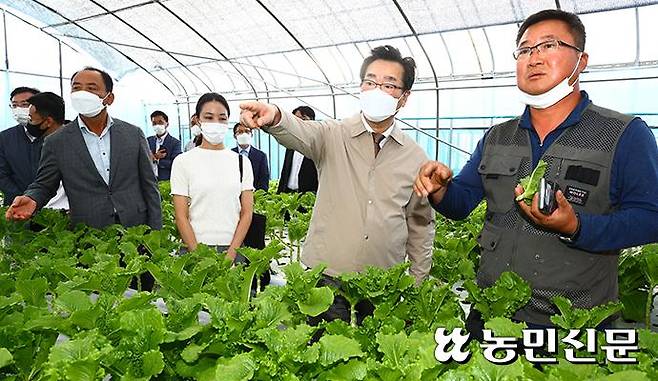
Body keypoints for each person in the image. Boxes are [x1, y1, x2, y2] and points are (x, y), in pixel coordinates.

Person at [414, 9, 658, 329]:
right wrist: (441, 189)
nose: (534, 58)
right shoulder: (497, 136)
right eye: (525, 50)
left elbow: (650, 219)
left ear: (581, 61)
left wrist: (576, 226)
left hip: (573, 324)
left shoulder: (623, 134)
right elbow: (461, 204)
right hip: (492, 315)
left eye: (549, 45)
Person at [240, 45, 435, 324]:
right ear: (361, 87)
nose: (377, 90)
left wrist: (416, 283)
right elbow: (301, 132)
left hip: (381, 284)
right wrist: (275, 117)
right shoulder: (333, 135)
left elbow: (420, 225)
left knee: (373, 360)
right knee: (323, 354)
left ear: (404, 98)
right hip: (327, 277)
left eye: (389, 85)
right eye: (370, 82)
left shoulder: (416, 157)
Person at [5, 67, 162, 230]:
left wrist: (155, 231)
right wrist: (32, 198)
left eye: (91, 88)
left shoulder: (133, 134)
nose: (82, 93)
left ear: (109, 98)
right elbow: (44, 184)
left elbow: (149, 185)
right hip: (89, 231)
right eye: (76, 88)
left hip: (136, 225)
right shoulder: (57, 141)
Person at [170, 93, 254, 261]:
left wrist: (232, 253)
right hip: (193, 248)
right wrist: (197, 256)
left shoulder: (241, 162)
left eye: (222, 118)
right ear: (198, 120)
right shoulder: (183, 161)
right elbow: (181, 216)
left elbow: (247, 212)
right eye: (209, 117)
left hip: (234, 248)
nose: (216, 123)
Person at [25, 92, 69, 210]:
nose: (28, 123)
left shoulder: (71, 144)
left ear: (48, 122)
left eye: (31, 119)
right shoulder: (42, 143)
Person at [0, 86, 41, 206]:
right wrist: (21, 197)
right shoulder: (4, 138)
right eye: (14, 105)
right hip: (17, 205)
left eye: (24, 104)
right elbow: (2, 174)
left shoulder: (56, 134)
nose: (19, 109)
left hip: (55, 205)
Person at [277, 106, 319, 194]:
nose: (299, 123)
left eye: (303, 119)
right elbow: (285, 171)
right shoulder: (291, 144)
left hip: (308, 195)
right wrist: (280, 193)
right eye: (296, 120)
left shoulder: (317, 146)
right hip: (288, 194)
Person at [232, 123, 270, 191]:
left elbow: (264, 181)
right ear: (235, 136)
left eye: (247, 131)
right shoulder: (230, 155)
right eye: (240, 132)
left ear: (251, 135)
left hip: (254, 196)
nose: (244, 134)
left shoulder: (261, 156)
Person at [147, 110, 181, 181]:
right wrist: (154, 157)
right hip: (149, 180)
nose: (157, 125)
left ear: (167, 124)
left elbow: (176, 164)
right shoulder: (148, 141)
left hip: (166, 181)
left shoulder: (175, 143)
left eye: (160, 122)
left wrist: (157, 160)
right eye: (154, 123)